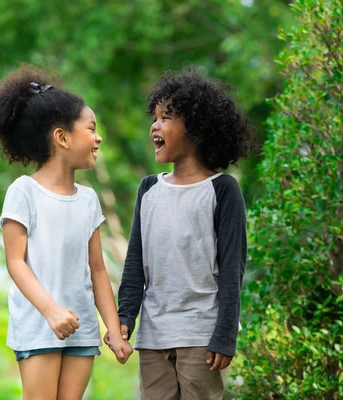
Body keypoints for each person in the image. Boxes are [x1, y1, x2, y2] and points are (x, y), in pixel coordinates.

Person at [0, 65, 132, 399]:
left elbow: (98, 270)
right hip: (39, 327)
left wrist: (113, 331)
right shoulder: (23, 192)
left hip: (82, 331)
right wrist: (51, 310)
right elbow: (15, 262)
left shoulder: (88, 200)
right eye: (91, 129)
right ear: (62, 137)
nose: (98, 137)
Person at [107, 68, 255, 400]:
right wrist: (125, 316)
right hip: (154, 335)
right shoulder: (148, 189)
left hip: (202, 336)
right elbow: (135, 264)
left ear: (196, 129)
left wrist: (225, 334)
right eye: (154, 118)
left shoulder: (222, 190)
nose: (154, 126)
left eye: (165, 118)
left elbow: (232, 270)